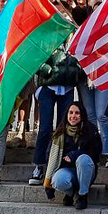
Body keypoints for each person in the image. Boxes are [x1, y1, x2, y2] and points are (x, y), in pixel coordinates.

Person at [28, 45, 79, 185]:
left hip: (67, 86)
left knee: (63, 128)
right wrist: (48, 70)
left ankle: (59, 164)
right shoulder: (50, 34)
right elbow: (36, 57)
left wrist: (76, 71)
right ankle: (39, 165)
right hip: (49, 86)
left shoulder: (75, 34)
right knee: (45, 128)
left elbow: (81, 56)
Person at [43, 101, 101, 209]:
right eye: (71, 113)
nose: (73, 116)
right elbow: (50, 158)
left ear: (82, 114)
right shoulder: (59, 133)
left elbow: (95, 155)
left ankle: (82, 195)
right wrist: (48, 184)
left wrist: (75, 155)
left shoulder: (90, 129)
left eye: (77, 113)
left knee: (83, 159)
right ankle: (70, 193)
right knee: (58, 180)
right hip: (68, 171)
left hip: (87, 171)